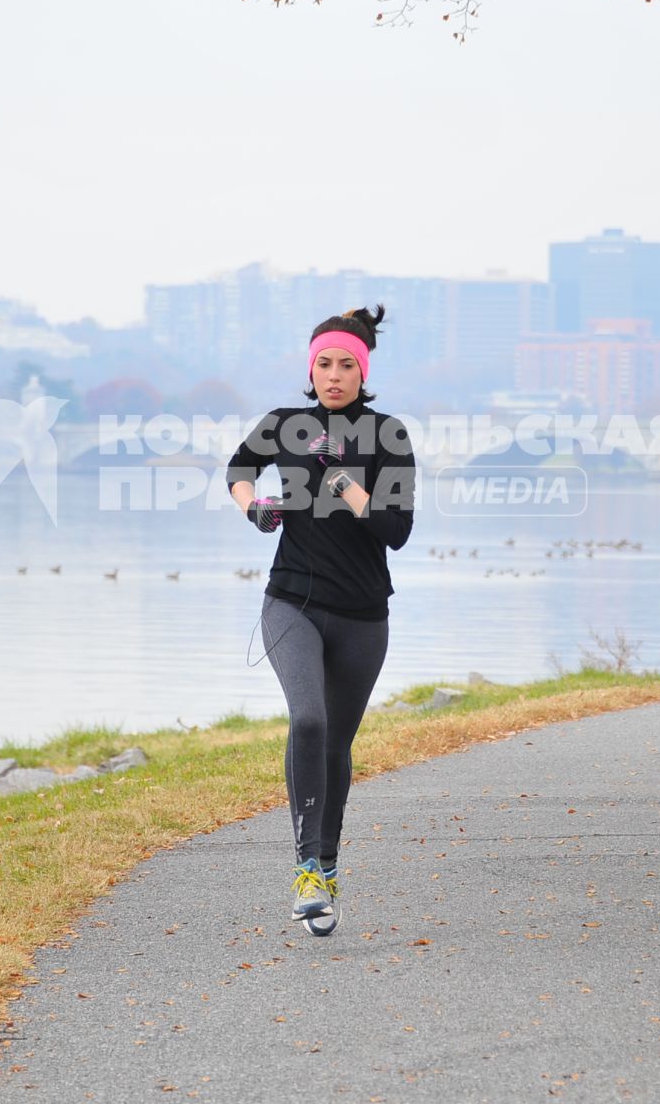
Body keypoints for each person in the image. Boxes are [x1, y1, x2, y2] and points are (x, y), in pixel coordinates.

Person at [226, 305, 417, 937]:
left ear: (363, 371)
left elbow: (398, 531)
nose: (333, 375)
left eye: (346, 365)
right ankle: (306, 867)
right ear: (310, 369)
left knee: (338, 741)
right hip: (291, 602)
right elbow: (237, 470)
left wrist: (348, 485)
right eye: (323, 364)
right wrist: (254, 509)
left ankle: (329, 865)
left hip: (364, 613)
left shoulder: (389, 436)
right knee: (308, 719)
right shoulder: (284, 423)